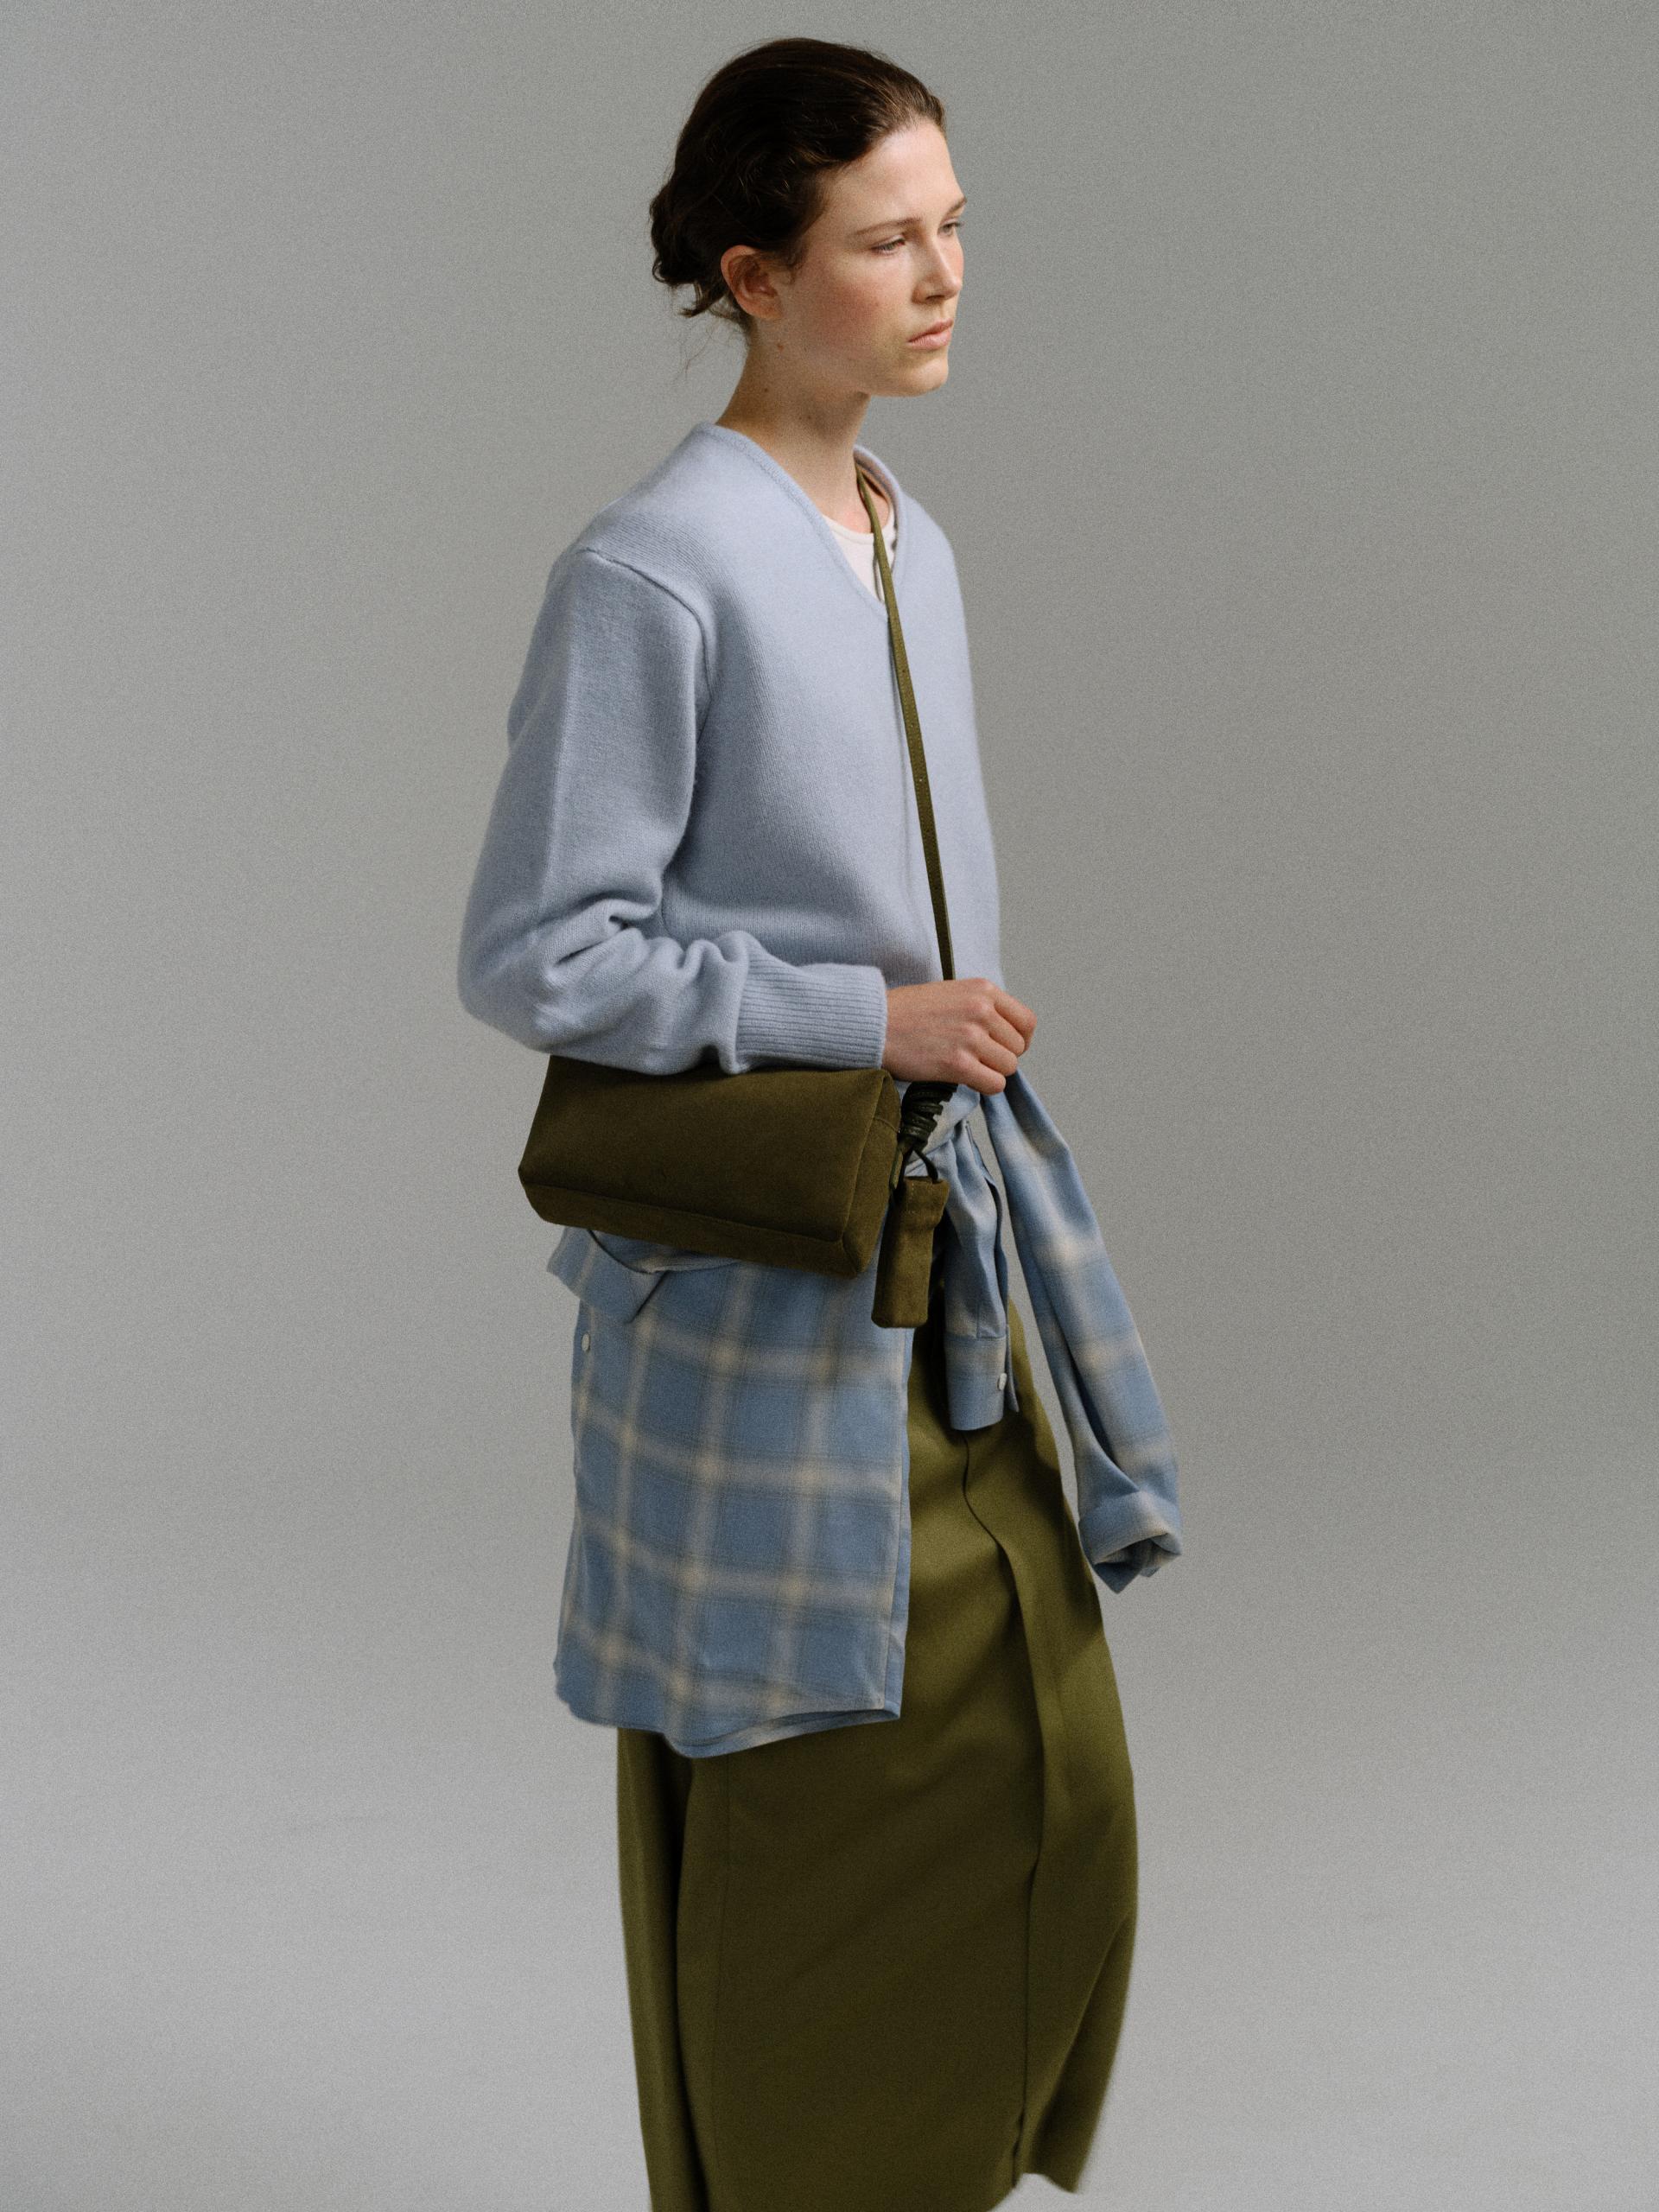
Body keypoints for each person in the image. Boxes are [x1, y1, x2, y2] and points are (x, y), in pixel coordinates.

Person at [456, 35, 1183, 2211]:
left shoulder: (902, 537)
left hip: (939, 1267)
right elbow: (539, 952)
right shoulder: (652, 570)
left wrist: (918, 1044)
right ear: (759, 278)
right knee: (798, 1808)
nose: (943, 276)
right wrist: (861, 1017)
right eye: (887, 241)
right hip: (763, 1293)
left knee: (1044, 1764)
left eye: (954, 227)